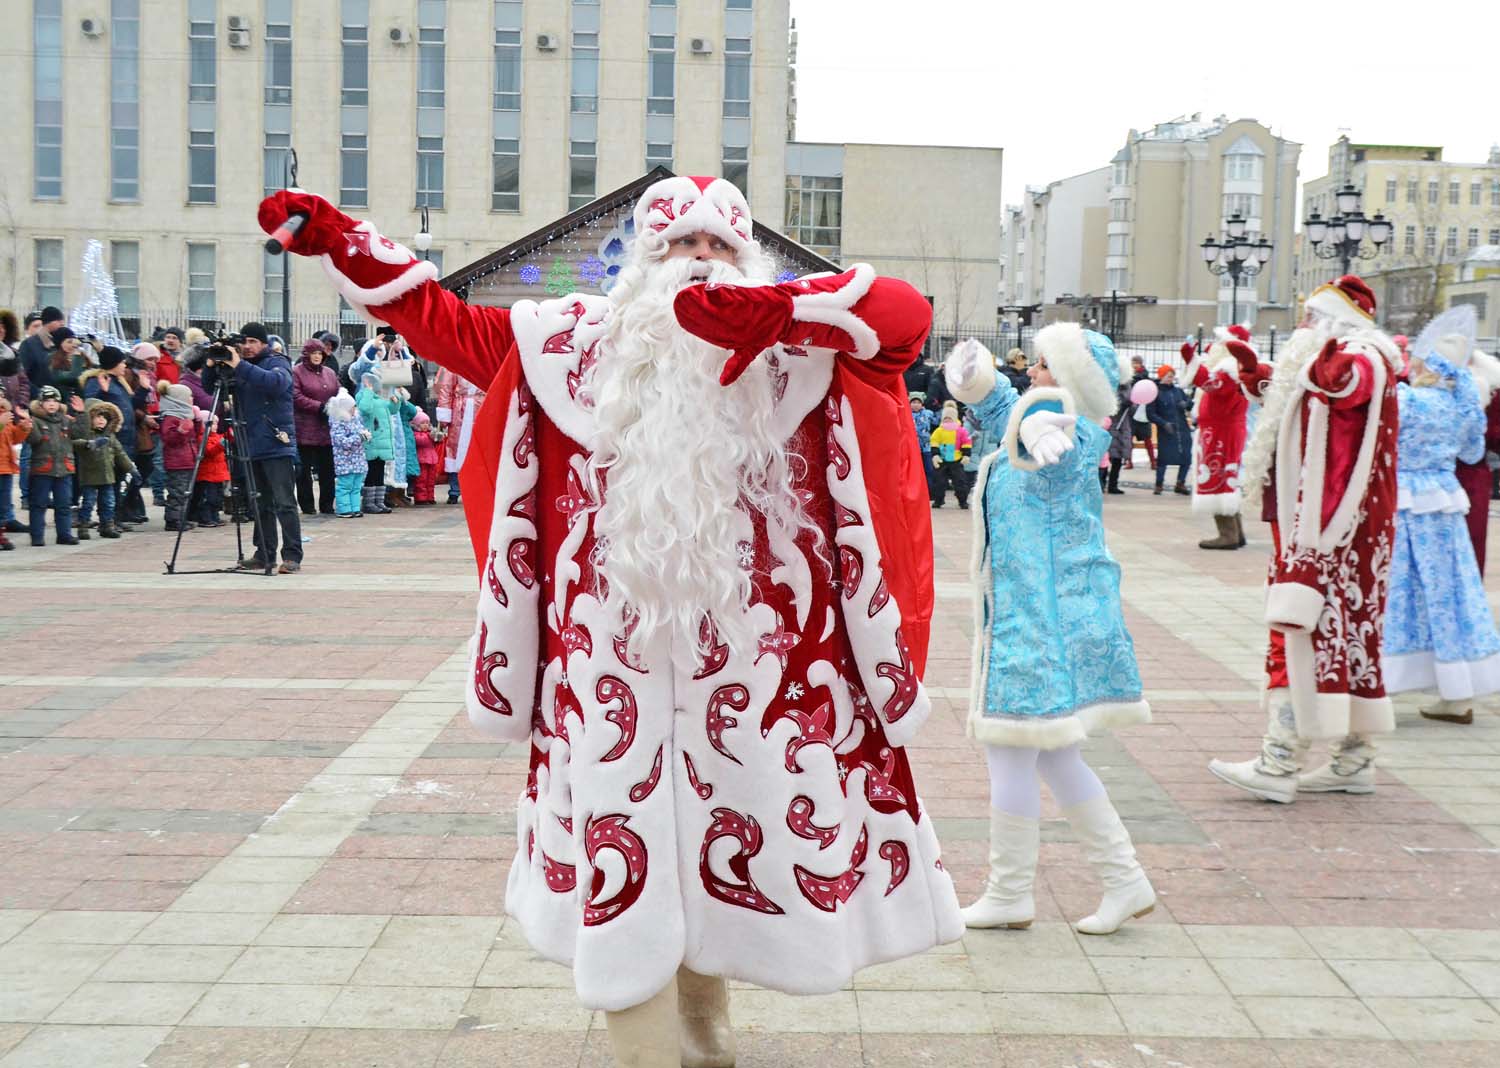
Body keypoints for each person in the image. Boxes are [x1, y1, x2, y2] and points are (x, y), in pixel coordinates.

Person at [260, 175, 961, 1065]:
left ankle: (705, 1034)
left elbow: (901, 320)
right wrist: (339, 240)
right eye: (679, 247)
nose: (698, 264)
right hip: (605, 679)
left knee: (732, 856)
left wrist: (776, 312)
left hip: (760, 684)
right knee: (622, 861)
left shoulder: (801, 350)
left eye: (717, 248)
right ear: (642, 259)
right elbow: (440, 321)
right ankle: (650, 1048)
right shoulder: (569, 346)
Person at [947, 329, 1155, 936]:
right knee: (1055, 756)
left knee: (1011, 750)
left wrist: (1040, 425)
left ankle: (1011, 892)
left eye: (1043, 365)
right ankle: (1122, 879)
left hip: (1037, 625)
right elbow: (1002, 406)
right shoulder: (1041, 417)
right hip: (1028, 618)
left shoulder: (1073, 432)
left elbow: (1043, 428)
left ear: (1072, 381)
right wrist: (974, 377)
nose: (1030, 371)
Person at [1209, 275, 1401, 802]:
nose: (1302, 326)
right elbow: (1302, 397)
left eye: (1311, 318)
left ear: (1335, 324)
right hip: (1336, 524)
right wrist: (1256, 375)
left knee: (1298, 632)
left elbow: (1347, 384)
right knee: (1350, 636)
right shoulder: (1333, 356)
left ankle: (1279, 763)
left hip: (1328, 528)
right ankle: (1354, 758)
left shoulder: (1362, 356)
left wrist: (1329, 364)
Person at [1383, 309, 1500, 726]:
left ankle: (1383, 682)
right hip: (1446, 504)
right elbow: (1471, 454)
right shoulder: (1461, 403)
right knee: (1450, 591)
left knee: (1398, 588)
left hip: (1404, 501)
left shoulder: (1407, 399)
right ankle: (1457, 692)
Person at [228, 322, 303, 574]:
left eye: (252, 342)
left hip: (276, 443)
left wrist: (239, 365)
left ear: (263, 343)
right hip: (251, 442)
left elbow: (275, 384)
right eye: (244, 342)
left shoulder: (277, 362)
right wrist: (212, 366)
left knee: (284, 502)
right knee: (260, 504)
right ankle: (264, 553)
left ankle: (292, 555)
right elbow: (211, 388)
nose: (247, 347)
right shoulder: (240, 367)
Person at [1180, 327, 1258, 548]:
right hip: (1226, 430)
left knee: (1218, 478)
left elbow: (1210, 383)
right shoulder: (1238, 369)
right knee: (1227, 478)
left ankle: (1228, 534)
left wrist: (1192, 361)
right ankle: (1236, 532)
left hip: (1220, 433)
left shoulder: (1229, 371)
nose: (1213, 346)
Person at [26, 386, 84, 546]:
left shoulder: (65, 420)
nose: (51, 404)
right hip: (43, 469)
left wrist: (80, 414)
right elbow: (34, 440)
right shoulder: (36, 420)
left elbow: (80, 433)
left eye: (55, 401)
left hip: (64, 469)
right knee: (39, 504)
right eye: (47, 401)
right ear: (40, 403)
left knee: (64, 504)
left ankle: (64, 535)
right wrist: (28, 425)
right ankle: (37, 536)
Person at [74, 399, 138, 540]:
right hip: (89, 476)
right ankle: (83, 526)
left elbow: (120, 453)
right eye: (98, 417)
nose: (101, 420)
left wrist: (131, 468)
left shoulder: (110, 436)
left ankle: (107, 525)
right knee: (88, 502)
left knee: (108, 502)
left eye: (104, 417)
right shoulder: (87, 434)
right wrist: (89, 444)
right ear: (91, 418)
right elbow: (76, 442)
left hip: (107, 476)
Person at [292, 338, 340, 516]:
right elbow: (295, 395)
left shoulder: (329, 372)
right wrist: (318, 406)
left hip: (326, 428)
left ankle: (327, 504)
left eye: (320, 353)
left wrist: (340, 402)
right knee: (303, 471)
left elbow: (338, 389)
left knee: (328, 470)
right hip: (305, 428)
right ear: (306, 354)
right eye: (314, 353)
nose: (317, 356)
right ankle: (307, 505)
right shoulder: (297, 372)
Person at [433, 365, 486, 504]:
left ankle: (477, 489)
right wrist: (444, 415)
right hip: (460, 411)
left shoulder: (483, 361)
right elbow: (446, 389)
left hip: (481, 408)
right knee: (455, 450)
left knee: (480, 451)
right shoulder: (453, 364)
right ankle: (455, 490)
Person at [157, 382, 204, 532]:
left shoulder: (185, 415)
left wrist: (197, 421)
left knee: (184, 492)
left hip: (188, 459)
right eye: (189, 396)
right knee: (177, 492)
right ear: (179, 399)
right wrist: (180, 431)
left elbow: (195, 435)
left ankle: (181, 518)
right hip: (177, 462)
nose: (192, 398)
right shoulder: (171, 417)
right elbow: (169, 439)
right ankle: (173, 520)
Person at [1147, 364, 1191, 495]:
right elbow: (1150, 413)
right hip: (1166, 430)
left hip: (1182, 429)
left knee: (1186, 457)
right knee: (1163, 458)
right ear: (1161, 376)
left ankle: (1180, 483)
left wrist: (1187, 404)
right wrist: (1163, 423)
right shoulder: (1155, 393)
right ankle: (1159, 484)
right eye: (1168, 376)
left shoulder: (1178, 391)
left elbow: (1190, 403)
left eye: (1172, 376)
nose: (1170, 379)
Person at [355, 368, 394, 514]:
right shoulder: (362, 395)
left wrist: (395, 402)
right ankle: (368, 502)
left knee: (379, 470)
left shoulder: (379, 398)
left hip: (381, 441)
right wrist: (368, 391)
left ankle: (379, 501)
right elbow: (365, 408)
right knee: (371, 471)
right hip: (372, 441)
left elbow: (391, 410)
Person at [327, 388, 369, 518]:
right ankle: (343, 509)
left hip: (357, 460)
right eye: (352, 407)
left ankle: (355, 508)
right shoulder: (338, 423)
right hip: (345, 461)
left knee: (356, 486)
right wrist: (359, 438)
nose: (354, 409)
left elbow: (361, 432)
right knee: (345, 486)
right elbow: (342, 442)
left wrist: (366, 435)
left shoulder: (355, 420)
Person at [928, 399, 973, 508]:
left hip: (956, 459)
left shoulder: (961, 430)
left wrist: (966, 454)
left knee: (960, 482)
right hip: (942, 460)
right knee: (939, 482)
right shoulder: (939, 431)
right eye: (945, 418)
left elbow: (966, 442)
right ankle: (938, 500)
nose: (947, 420)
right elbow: (934, 442)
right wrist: (935, 454)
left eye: (950, 418)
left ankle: (963, 501)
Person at [0, 397, 31, 548]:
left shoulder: (6, 414)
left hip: (5, 467)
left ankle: (1, 534)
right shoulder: (3, 417)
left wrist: (23, 427)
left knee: (4, 504)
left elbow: (14, 438)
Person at [193, 416, 230, 528]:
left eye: (216, 423)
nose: (215, 426)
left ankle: (215, 517)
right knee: (209, 498)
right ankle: (205, 518)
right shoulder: (202, 438)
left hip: (218, 474)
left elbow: (226, 438)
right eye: (212, 423)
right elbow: (209, 452)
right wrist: (221, 445)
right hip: (208, 475)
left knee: (217, 498)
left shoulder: (217, 436)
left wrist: (230, 433)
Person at [910, 391, 940, 504]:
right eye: (913, 402)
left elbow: (937, 422)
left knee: (929, 471)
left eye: (918, 402)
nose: (916, 405)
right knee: (914, 471)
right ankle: (915, 493)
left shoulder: (928, 413)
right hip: (912, 447)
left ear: (922, 404)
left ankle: (930, 493)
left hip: (926, 447)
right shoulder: (906, 413)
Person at [1104, 378, 1132, 494]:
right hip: (1110, 425)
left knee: (1117, 459)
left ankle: (1113, 485)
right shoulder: (1108, 386)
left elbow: (1133, 410)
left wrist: (1131, 405)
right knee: (1104, 458)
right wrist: (1121, 403)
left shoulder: (1128, 388)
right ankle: (1101, 482)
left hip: (1123, 427)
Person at [410, 409, 440, 505]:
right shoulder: (417, 434)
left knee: (431, 480)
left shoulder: (429, 434)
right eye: (423, 423)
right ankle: (420, 498)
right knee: (421, 480)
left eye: (427, 423)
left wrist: (438, 437)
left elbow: (437, 442)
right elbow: (421, 441)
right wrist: (431, 436)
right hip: (422, 460)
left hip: (431, 460)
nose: (426, 425)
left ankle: (430, 496)